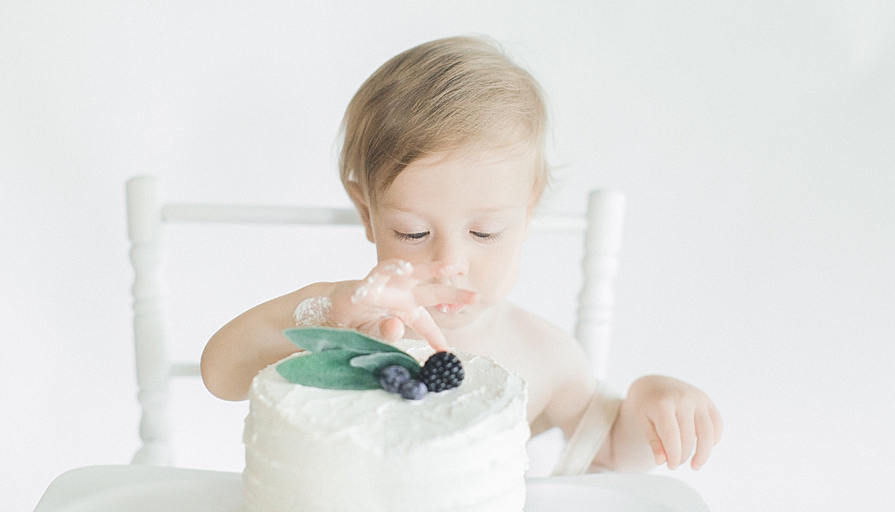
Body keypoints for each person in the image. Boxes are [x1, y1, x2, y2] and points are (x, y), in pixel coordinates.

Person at [201, 36, 723, 473]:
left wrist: (647, 405)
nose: (449, 264)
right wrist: (323, 307)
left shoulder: (544, 355)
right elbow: (220, 376)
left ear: (526, 214)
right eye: (410, 233)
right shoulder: (348, 326)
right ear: (367, 212)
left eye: (486, 232)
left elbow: (609, 455)